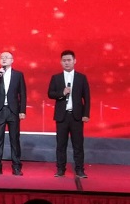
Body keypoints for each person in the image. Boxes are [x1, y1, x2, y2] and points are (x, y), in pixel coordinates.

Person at [48, 50, 90, 178]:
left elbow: (87, 98)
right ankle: (61, 169)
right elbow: (50, 93)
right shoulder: (56, 78)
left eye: (69, 60)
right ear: (61, 62)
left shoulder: (81, 78)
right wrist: (62, 93)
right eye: (64, 60)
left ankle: (79, 170)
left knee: (78, 144)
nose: (66, 63)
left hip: (76, 116)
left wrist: (86, 114)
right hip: (62, 116)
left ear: (74, 61)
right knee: (61, 144)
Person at [0, 51, 27, 176]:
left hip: (13, 111)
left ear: (12, 60)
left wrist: (22, 111)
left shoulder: (18, 75)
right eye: (2, 57)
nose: (4, 59)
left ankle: (16, 166)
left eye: (7, 57)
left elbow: (22, 93)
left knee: (15, 139)